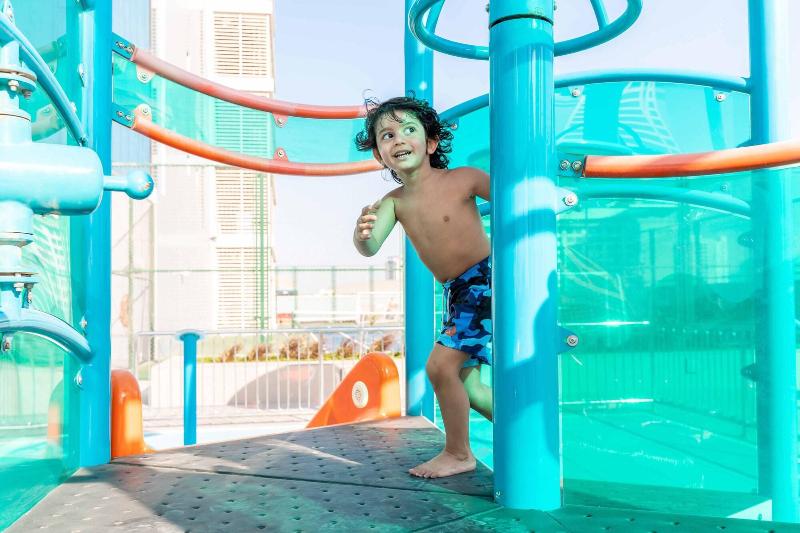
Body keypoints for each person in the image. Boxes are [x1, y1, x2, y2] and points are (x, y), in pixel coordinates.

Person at [353, 96, 493, 478]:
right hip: (457, 293)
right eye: (387, 135)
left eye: (408, 130)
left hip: (483, 280)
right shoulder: (394, 202)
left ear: (430, 142)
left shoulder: (463, 179)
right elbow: (370, 246)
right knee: (470, 386)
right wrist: (361, 234)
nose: (398, 139)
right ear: (380, 155)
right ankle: (524, 436)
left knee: (439, 366)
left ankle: (458, 453)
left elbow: (511, 196)